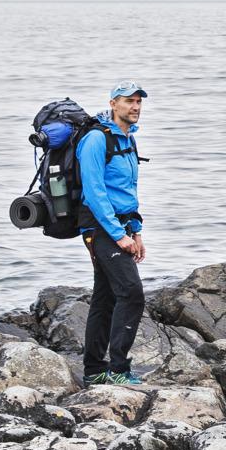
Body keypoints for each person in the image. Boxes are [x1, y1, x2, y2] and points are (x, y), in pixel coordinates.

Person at [78, 81, 147, 386]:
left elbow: (127, 192)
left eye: (138, 102)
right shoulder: (96, 140)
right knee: (131, 293)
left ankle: (94, 371)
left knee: (105, 297)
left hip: (121, 225)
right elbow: (95, 192)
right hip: (100, 226)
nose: (135, 107)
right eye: (128, 101)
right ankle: (119, 369)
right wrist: (119, 235)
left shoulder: (128, 140)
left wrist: (136, 230)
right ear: (113, 104)